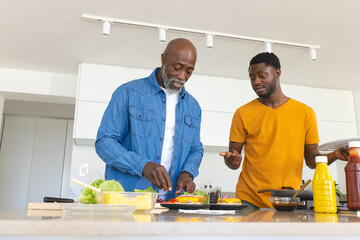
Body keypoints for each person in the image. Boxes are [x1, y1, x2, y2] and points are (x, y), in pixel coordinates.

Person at [220, 52, 348, 209]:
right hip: (249, 198)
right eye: (252, 78)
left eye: (262, 75)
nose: (256, 82)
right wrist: (231, 161)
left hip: (287, 199)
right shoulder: (242, 113)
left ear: (277, 73)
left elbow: (311, 160)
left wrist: (335, 155)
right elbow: (234, 160)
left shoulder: (305, 113)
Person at [95, 38, 203, 200]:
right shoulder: (128, 93)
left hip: (171, 202)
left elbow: (196, 149)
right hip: (127, 201)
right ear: (163, 59)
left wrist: (187, 172)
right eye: (177, 67)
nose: (182, 76)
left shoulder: (193, 106)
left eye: (189, 71)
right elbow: (104, 142)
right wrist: (143, 166)